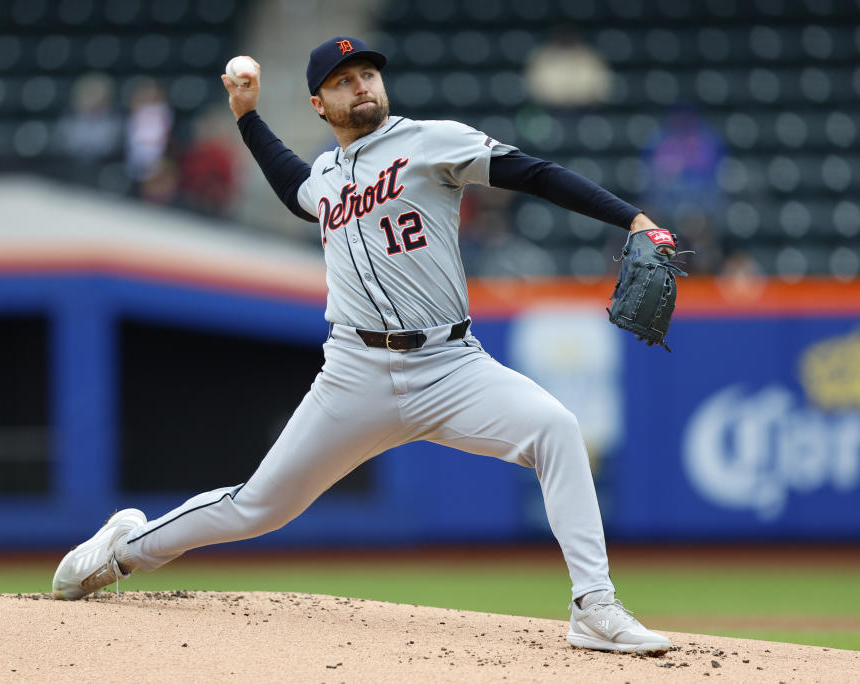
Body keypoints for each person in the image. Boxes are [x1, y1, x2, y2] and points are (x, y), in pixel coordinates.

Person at [52, 36, 672, 655]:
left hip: (450, 365)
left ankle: (594, 606)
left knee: (557, 430)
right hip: (356, 374)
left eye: (369, 73)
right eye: (345, 80)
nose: (363, 85)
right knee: (257, 508)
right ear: (320, 103)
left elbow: (533, 173)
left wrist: (633, 220)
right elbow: (290, 180)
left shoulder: (431, 141)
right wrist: (246, 117)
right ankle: (124, 548)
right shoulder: (326, 176)